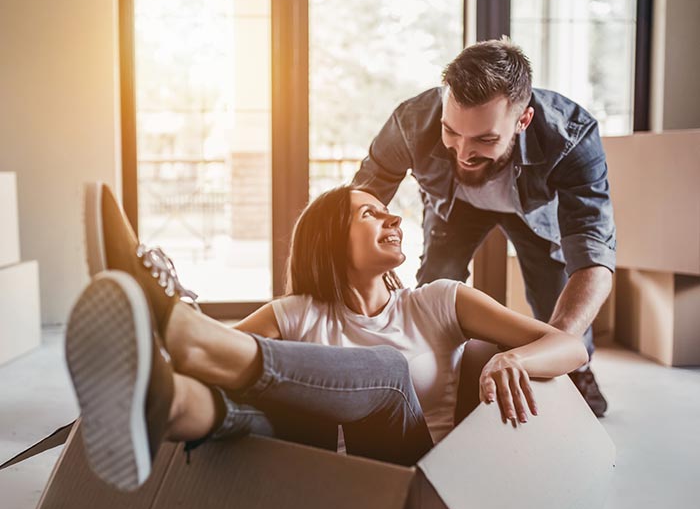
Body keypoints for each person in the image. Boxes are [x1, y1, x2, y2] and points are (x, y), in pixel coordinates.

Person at [65, 183, 587, 491]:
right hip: (308, 482)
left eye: (387, 210)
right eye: (369, 212)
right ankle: (170, 405)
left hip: (411, 484)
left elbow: (567, 346)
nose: (392, 216)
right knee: (257, 405)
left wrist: (513, 359)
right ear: (331, 241)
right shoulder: (294, 313)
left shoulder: (440, 300)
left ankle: (184, 325)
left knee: (388, 372)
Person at [352, 38, 615, 416]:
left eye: (485, 139)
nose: (462, 152)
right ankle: (434, 377)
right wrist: (369, 264)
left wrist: (556, 350)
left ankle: (581, 371)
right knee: (435, 284)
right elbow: (358, 202)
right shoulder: (410, 122)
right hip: (454, 206)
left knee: (553, 299)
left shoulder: (572, 135)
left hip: (532, 214)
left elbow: (594, 256)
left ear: (523, 119)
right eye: (451, 132)